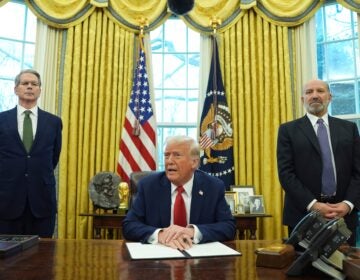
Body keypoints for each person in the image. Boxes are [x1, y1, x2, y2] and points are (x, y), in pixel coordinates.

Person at [277, 79, 360, 245]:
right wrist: (313, 204)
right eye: (309, 92)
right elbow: (286, 174)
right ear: (302, 99)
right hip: (303, 214)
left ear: (330, 97)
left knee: (344, 268)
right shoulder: (288, 130)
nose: (314, 95)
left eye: (320, 91)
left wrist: (348, 204)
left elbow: (358, 172)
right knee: (303, 269)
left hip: (343, 215)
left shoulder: (349, 129)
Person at [122, 135, 236, 250]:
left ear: (194, 163)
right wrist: (160, 234)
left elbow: (228, 227)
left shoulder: (213, 187)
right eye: (167, 155)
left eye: (177, 155)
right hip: (159, 258)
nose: (169, 161)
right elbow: (129, 225)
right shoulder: (148, 186)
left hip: (198, 258)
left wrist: (192, 232)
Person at [0, 69, 62, 238]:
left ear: (40, 90)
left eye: (34, 84)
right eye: (25, 83)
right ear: (15, 89)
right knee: (7, 261)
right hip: (7, 202)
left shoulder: (53, 122)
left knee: (43, 258)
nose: (29, 87)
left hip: (41, 202)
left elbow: (53, 158)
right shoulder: (2, 120)